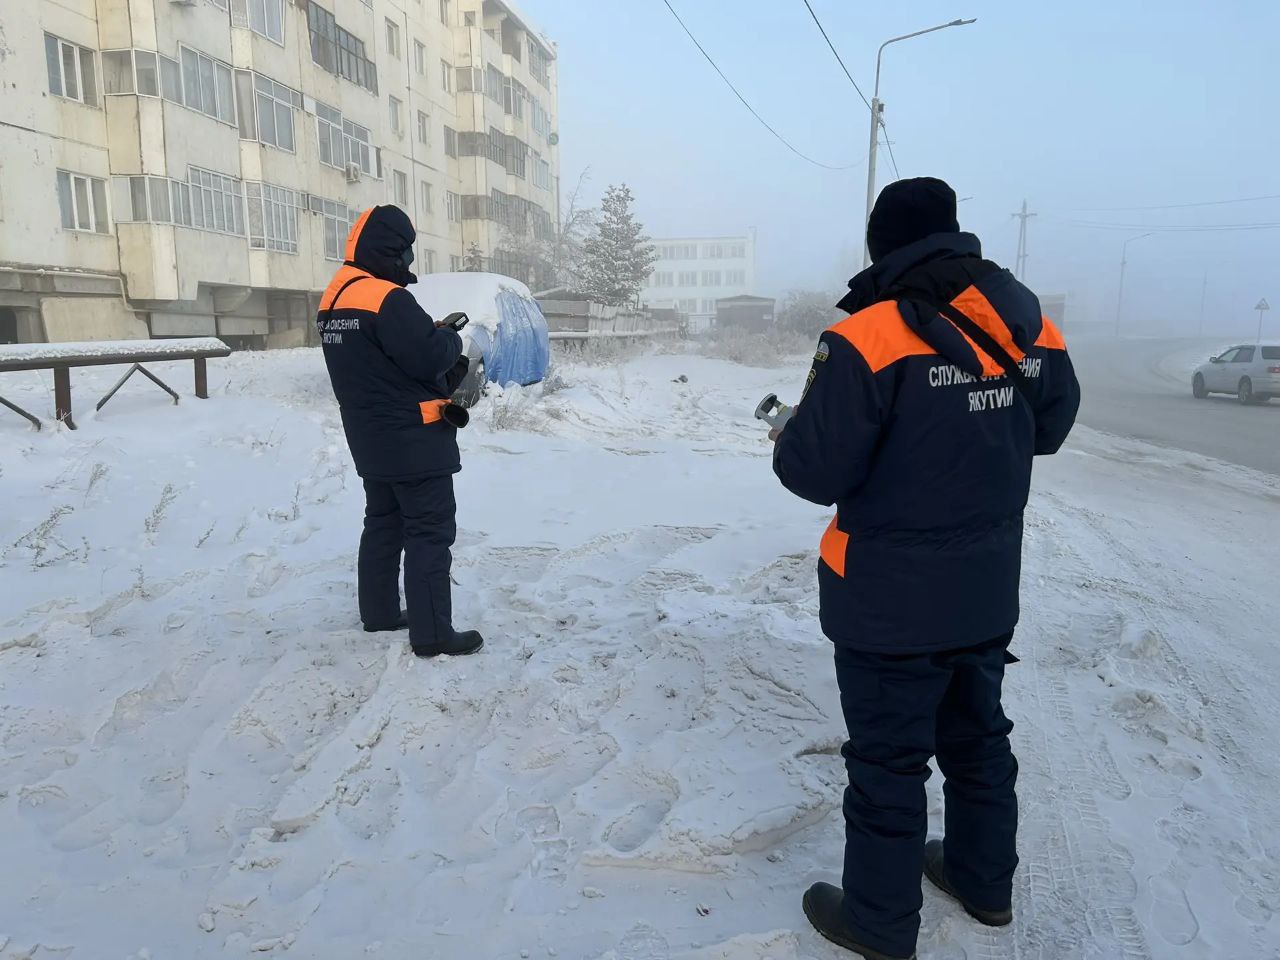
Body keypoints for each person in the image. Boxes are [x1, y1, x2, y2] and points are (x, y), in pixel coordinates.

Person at [772, 178, 1080, 960]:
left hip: (886, 601)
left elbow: (813, 471)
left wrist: (788, 434)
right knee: (978, 737)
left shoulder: (868, 336)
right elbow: (1048, 427)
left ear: (883, 245)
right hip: (982, 588)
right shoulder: (1027, 319)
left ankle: (878, 923)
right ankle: (983, 881)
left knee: (888, 760)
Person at [317, 205, 483, 658]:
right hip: (414, 437)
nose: (408, 263)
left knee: (383, 525)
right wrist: (448, 337)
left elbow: (379, 361)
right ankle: (432, 635)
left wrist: (423, 335)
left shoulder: (335, 296)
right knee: (429, 531)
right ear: (392, 249)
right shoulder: (387, 298)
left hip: (369, 437)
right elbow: (431, 358)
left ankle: (381, 612)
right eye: (406, 252)